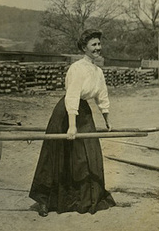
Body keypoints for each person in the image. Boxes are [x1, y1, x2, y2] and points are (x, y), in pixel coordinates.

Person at [29, 29, 116, 217]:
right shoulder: (77, 68)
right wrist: (72, 125)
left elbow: (102, 97)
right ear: (84, 48)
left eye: (99, 44)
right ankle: (45, 200)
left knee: (88, 155)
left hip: (83, 113)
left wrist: (107, 120)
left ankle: (83, 198)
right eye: (94, 45)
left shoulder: (98, 71)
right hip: (67, 113)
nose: (98, 48)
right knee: (59, 155)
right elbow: (73, 95)